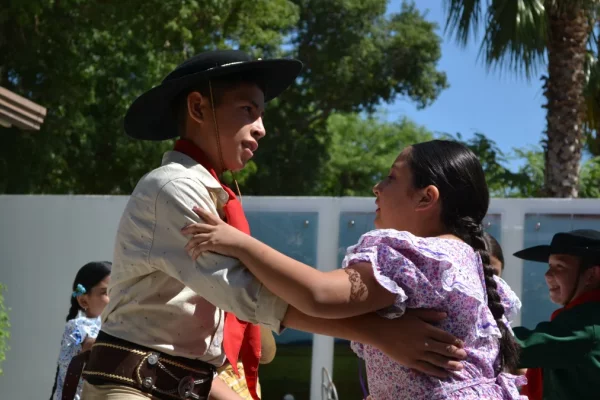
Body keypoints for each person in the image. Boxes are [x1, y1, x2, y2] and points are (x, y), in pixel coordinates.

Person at [81, 51, 468, 400]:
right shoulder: (173, 186)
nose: (261, 127)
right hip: (132, 388)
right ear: (198, 107)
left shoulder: (215, 195)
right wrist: (378, 333)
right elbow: (246, 293)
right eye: (248, 110)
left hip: (180, 383)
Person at [183, 140, 526, 399]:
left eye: (392, 177)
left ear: (426, 198)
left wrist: (238, 242)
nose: (377, 187)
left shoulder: (416, 255)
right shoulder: (465, 259)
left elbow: (318, 295)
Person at [512, 229, 600, 400]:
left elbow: (520, 347)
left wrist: (462, 330)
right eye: (549, 266)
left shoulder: (587, 324)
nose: (547, 275)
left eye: (560, 266)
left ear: (591, 275)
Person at [49, 261, 111, 400]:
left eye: (117, 291)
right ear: (83, 301)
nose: (114, 298)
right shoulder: (78, 326)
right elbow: (93, 345)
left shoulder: (113, 325)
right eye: (106, 292)